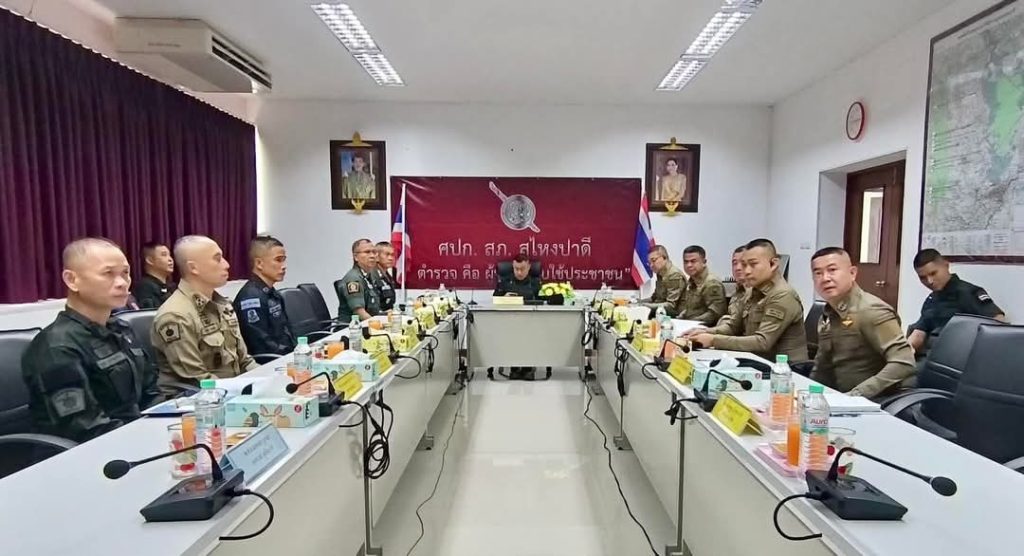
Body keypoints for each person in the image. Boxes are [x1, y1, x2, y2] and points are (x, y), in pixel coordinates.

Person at [21, 238, 162, 442]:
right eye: (108, 273)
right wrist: (148, 436)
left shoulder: (121, 329)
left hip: (135, 434)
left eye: (125, 273)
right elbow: (84, 428)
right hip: (91, 450)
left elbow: (152, 392)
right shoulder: (57, 346)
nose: (122, 283)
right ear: (72, 280)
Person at [152, 236, 257, 396]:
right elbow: (196, 379)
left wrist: (265, 381)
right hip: (196, 400)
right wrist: (244, 392)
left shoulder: (223, 305)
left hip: (231, 391)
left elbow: (244, 361)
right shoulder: (175, 315)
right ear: (193, 268)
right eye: (217, 259)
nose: (227, 265)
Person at [808, 248, 915, 400]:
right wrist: (809, 394)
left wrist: (853, 396)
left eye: (832, 270)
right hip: (839, 398)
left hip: (875, 400)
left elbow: (904, 363)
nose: (825, 278)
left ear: (852, 273)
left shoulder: (871, 311)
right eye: (818, 273)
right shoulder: (829, 314)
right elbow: (823, 365)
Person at [687, 239, 808, 361]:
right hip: (756, 360)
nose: (746, 271)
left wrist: (713, 340)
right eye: (744, 265)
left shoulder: (782, 295)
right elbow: (733, 327)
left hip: (784, 367)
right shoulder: (752, 291)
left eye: (753, 264)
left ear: (773, 264)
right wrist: (705, 332)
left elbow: (763, 342)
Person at [907, 248, 1006, 355]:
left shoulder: (968, 292)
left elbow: (998, 321)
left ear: (946, 266)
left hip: (960, 357)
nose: (929, 281)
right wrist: (905, 350)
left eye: (933, 273)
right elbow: (919, 333)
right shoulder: (931, 300)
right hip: (933, 355)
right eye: (923, 278)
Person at [233, 236, 295, 356]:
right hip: (269, 361)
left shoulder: (271, 292)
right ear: (259, 263)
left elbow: (286, 331)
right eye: (278, 260)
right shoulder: (251, 298)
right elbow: (262, 345)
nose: (284, 266)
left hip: (285, 356)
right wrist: (290, 355)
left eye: (284, 260)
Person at [677, 245, 727, 325]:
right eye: (686, 262)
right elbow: (692, 310)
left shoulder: (712, 283)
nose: (689, 265)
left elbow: (715, 314)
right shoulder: (692, 282)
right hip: (691, 326)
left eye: (693, 261)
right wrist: (679, 319)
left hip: (706, 329)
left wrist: (690, 323)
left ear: (704, 262)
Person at [338, 238, 382, 323]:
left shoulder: (369, 276)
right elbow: (359, 312)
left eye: (374, 252)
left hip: (368, 324)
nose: (372, 256)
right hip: (353, 328)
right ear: (356, 257)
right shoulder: (353, 279)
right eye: (367, 252)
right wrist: (379, 325)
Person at [642, 245, 685, 316]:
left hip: (675, 316)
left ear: (665, 258)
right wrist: (637, 302)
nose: (651, 265)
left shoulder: (674, 275)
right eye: (649, 263)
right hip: (661, 312)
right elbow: (654, 298)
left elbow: (671, 305)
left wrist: (643, 305)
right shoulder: (660, 273)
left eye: (653, 260)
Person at [132, 241, 176, 309]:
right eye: (164, 255)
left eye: (169, 255)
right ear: (149, 260)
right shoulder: (144, 287)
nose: (170, 259)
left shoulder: (172, 286)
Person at [374, 241, 398, 312]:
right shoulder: (372, 275)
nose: (391, 258)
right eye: (387, 255)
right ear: (377, 257)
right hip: (376, 316)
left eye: (392, 255)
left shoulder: (388, 276)